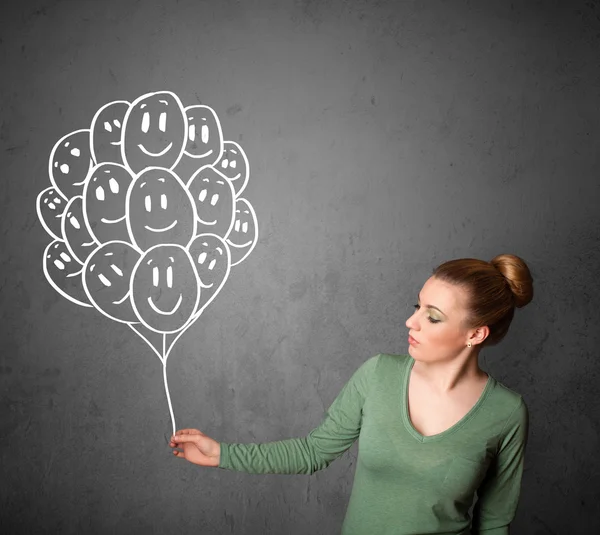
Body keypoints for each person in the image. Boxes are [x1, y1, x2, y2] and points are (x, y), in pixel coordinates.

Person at [170, 253, 533, 535]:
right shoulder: (378, 374)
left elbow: (494, 523)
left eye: (433, 316)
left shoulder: (506, 412)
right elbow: (313, 451)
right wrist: (222, 453)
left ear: (476, 335)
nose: (412, 322)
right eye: (416, 306)